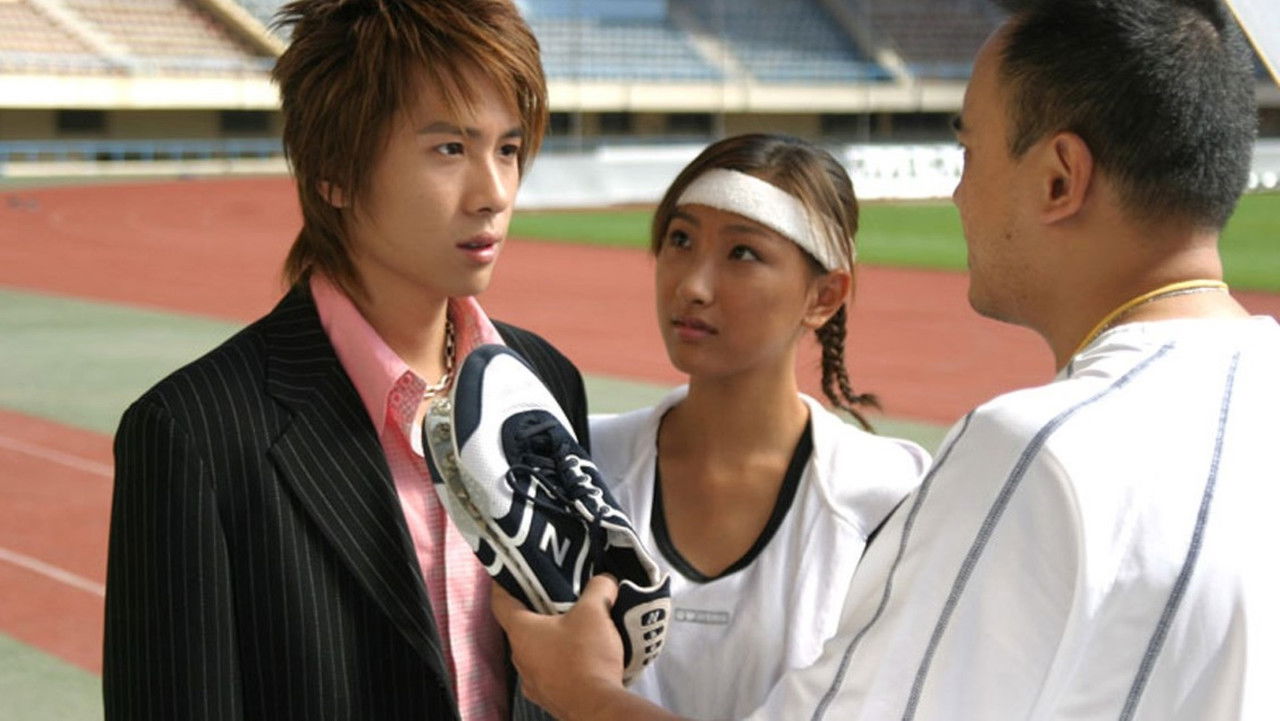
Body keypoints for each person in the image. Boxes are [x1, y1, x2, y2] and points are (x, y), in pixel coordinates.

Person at [490, 0, 1280, 718]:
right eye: (679, 240)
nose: (958, 194)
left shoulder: (1032, 454)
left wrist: (582, 692)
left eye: (969, 152)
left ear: (1058, 179)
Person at [102, 1, 586, 719]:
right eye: (449, 149)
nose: (494, 194)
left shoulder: (546, 381)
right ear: (333, 170)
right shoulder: (194, 434)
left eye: (508, 149)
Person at [586, 133, 928, 718]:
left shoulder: (886, 498)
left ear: (824, 296)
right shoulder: (584, 465)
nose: (692, 286)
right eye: (680, 239)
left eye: (742, 253)